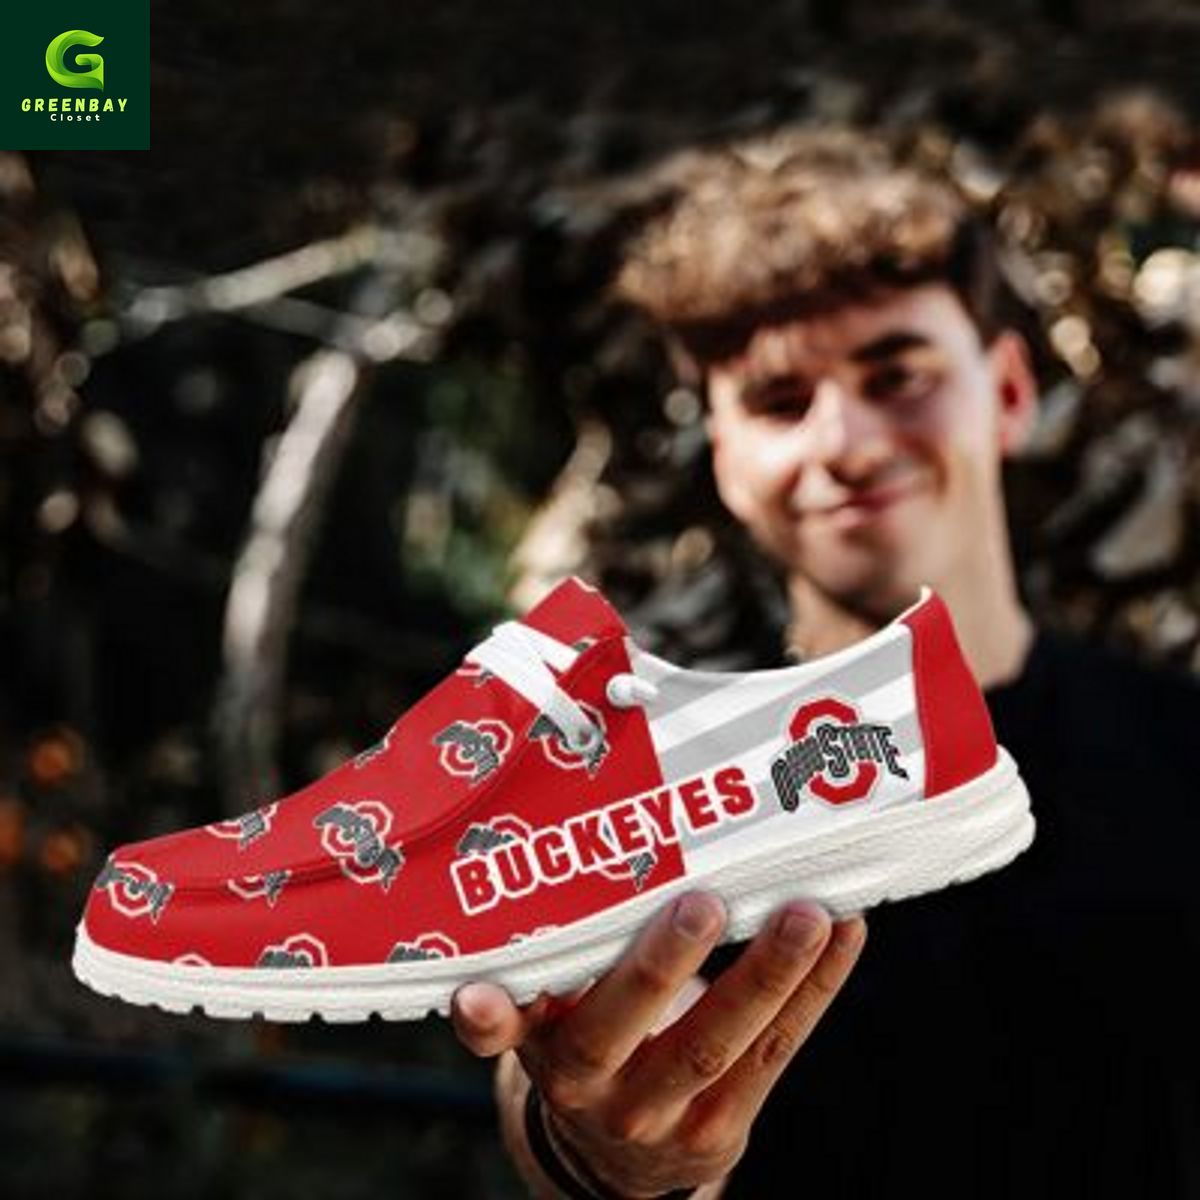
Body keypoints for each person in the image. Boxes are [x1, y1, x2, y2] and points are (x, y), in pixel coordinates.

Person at [449, 128, 1200, 1198]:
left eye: (897, 374)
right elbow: (576, 1078)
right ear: (725, 456)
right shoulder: (651, 798)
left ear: (1008, 391)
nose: (844, 441)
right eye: (779, 400)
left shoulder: (1184, 752)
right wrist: (605, 1146)